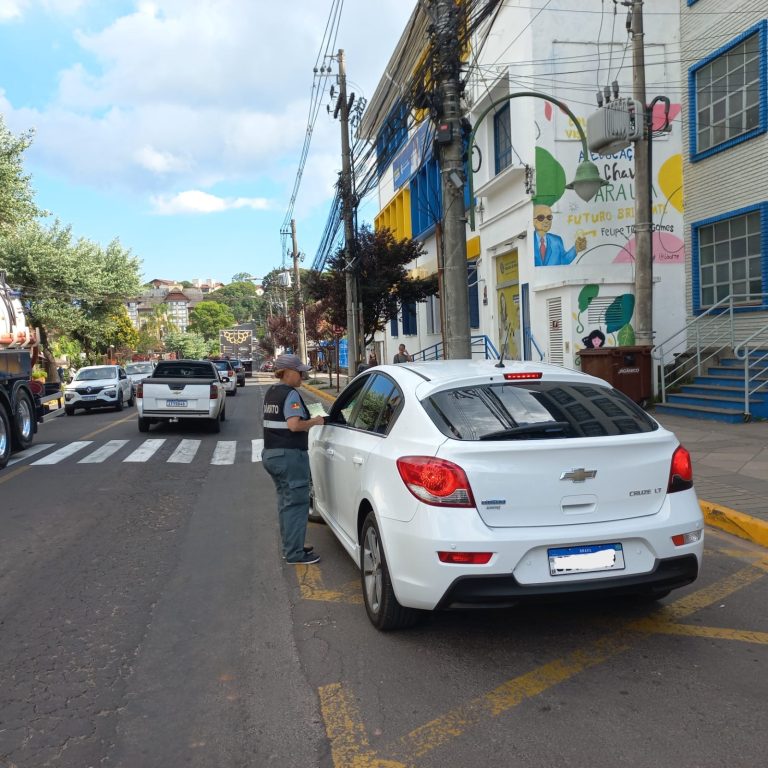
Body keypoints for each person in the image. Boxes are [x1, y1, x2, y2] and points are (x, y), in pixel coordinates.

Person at [261, 354, 325, 565]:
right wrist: (315, 421)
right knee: (297, 504)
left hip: (272, 454)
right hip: (289, 456)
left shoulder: (272, 392)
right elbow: (294, 425)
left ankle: (290, 547)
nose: (302, 376)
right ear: (287, 372)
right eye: (299, 372)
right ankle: (295, 554)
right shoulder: (291, 394)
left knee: (285, 503)